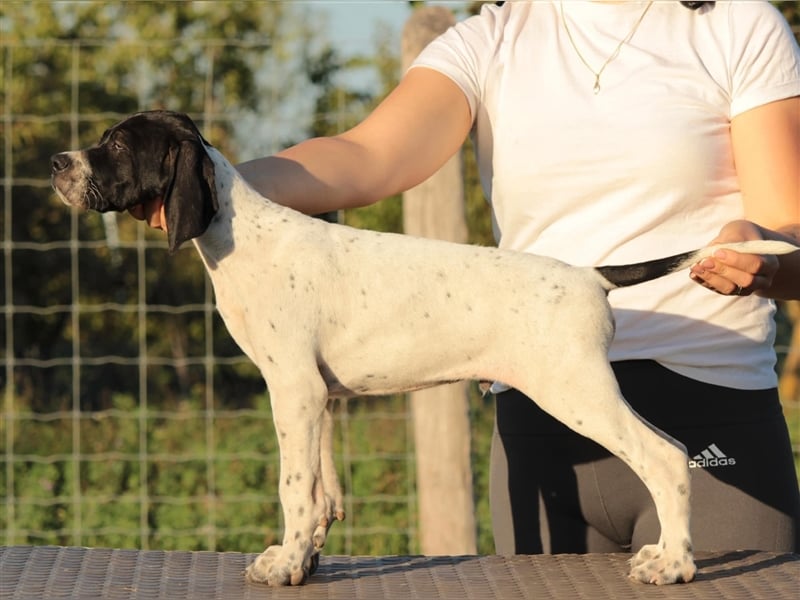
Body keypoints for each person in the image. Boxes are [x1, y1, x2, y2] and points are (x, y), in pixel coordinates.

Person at [137, 1, 800, 554]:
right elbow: (365, 156)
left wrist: (761, 254)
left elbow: (788, 229)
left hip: (706, 411)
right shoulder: (493, 36)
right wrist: (213, 190)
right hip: (535, 423)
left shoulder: (738, 24)